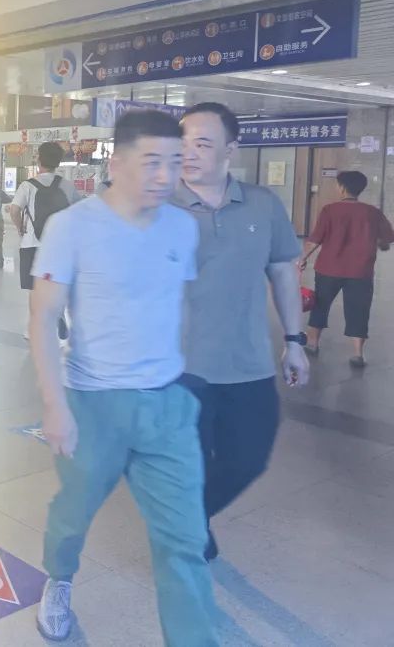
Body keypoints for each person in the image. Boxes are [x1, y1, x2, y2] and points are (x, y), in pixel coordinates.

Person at [29, 110, 215, 646]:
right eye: (151, 161)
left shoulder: (182, 225)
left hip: (166, 405)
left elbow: (178, 302)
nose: (165, 175)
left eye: (175, 162)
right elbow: (43, 316)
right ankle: (59, 579)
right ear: (116, 163)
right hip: (94, 403)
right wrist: (54, 405)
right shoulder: (72, 226)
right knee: (73, 512)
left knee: (184, 540)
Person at [174, 102, 308, 562]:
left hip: (248, 363)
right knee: (186, 464)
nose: (188, 152)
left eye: (202, 143)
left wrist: (295, 341)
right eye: (183, 142)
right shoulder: (154, 205)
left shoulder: (262, 204)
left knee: (248, 459)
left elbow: (283, 271)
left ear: (231, 149)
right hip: (175, 369)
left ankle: (187, 518)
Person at [301, 170, 394, 367]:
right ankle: (358, 354)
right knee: (359, 310)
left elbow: (315, 239)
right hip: (361, 272)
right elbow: (388, 238)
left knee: (320, 305)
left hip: (328, 269)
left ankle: (313, 344)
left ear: (342, 188)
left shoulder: (330, 210)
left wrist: (302, 259)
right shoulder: (372, 212)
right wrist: (379, 242)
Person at [9, 142, 78, 339]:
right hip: (59, 245)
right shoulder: (67, 185)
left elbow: (14, 210)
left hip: (32, 243)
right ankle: (58, 312)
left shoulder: (28, 186)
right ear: (58, 161)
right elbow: (78, 212)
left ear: (39, 159)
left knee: (34, 288)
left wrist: (20, 228)